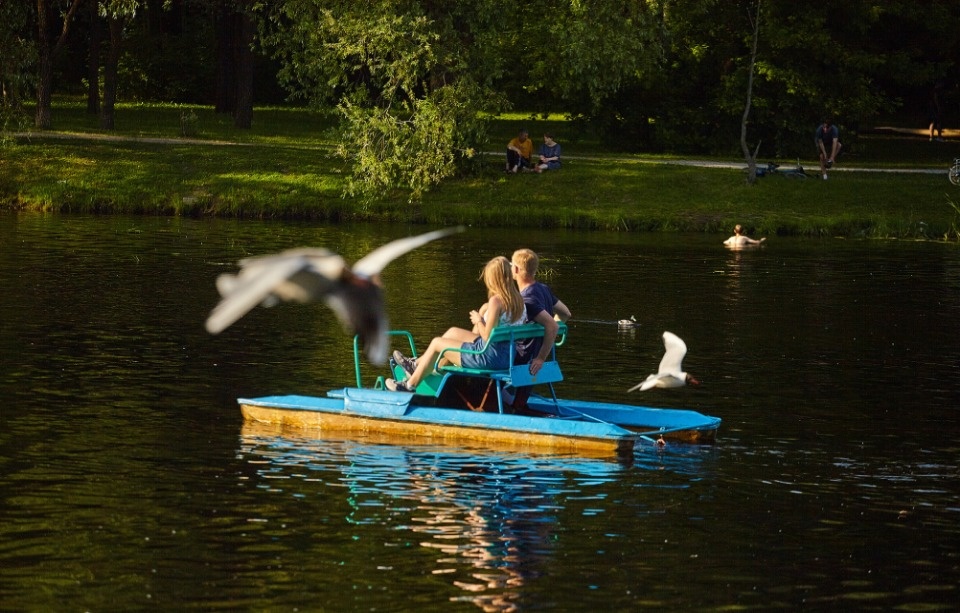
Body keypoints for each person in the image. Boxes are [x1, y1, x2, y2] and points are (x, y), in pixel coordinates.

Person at [386, 257, 527, 392]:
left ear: (494, 279)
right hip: (507, 355)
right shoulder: (519, 299)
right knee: (452, 332)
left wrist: (479, 320)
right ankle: (416, 365)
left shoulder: (496, 301)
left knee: (436, 343)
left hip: (488, 357)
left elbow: (486, 336)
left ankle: (409, 386)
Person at [508, 248, 572, 410]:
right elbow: (565, 313)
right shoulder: (543, 289)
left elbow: (552, 325)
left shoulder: (526, 299)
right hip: (532, 353)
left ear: (515, 269)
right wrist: (546, 338)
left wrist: (540, 358)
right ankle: (515, 403)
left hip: (524, 357)